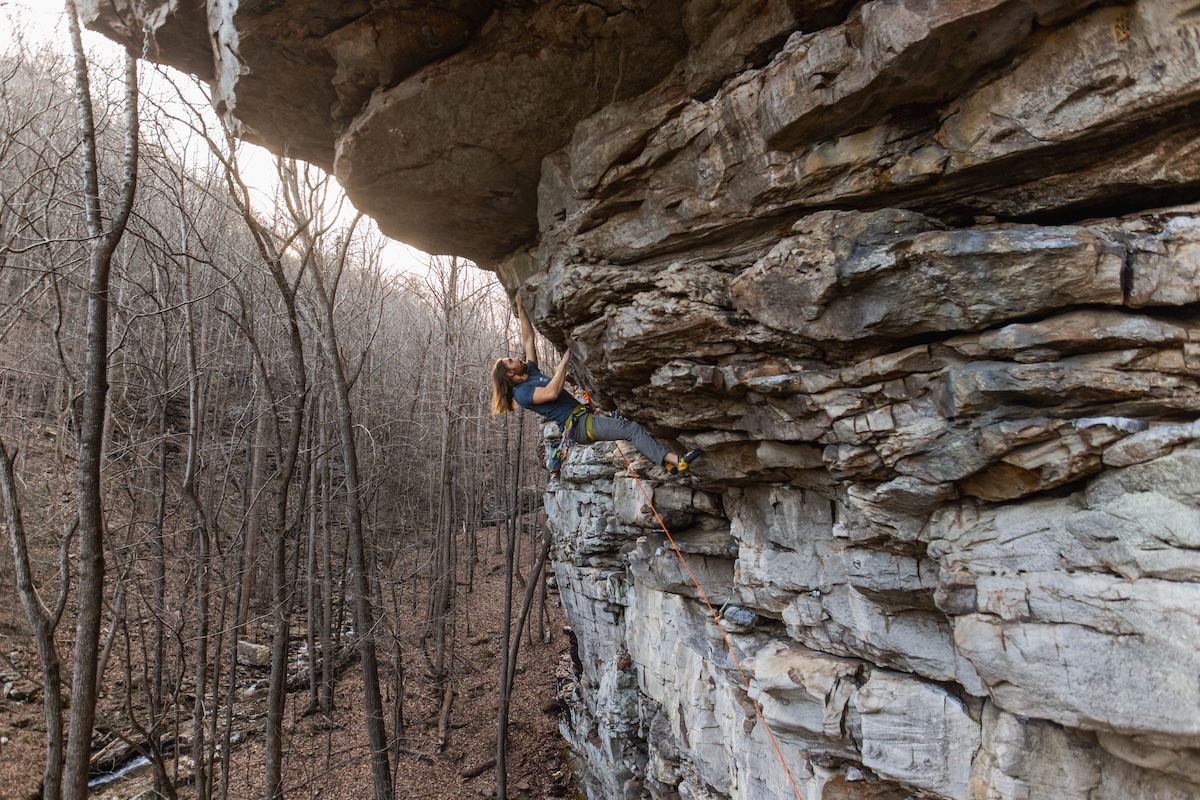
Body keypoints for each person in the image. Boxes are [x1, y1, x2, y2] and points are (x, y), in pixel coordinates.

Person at [490, 295, 700, 473]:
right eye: (510, 361)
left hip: (585, 418)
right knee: (632, 429)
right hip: (580, 427)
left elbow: (528, 340)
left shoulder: (530, 372)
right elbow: (552, 392)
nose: (516, 358)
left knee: (631, 424)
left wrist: (520, 306)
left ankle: (666, 461)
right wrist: (565, 360)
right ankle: (675, 462)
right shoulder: (522, 393)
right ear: (509, 374)